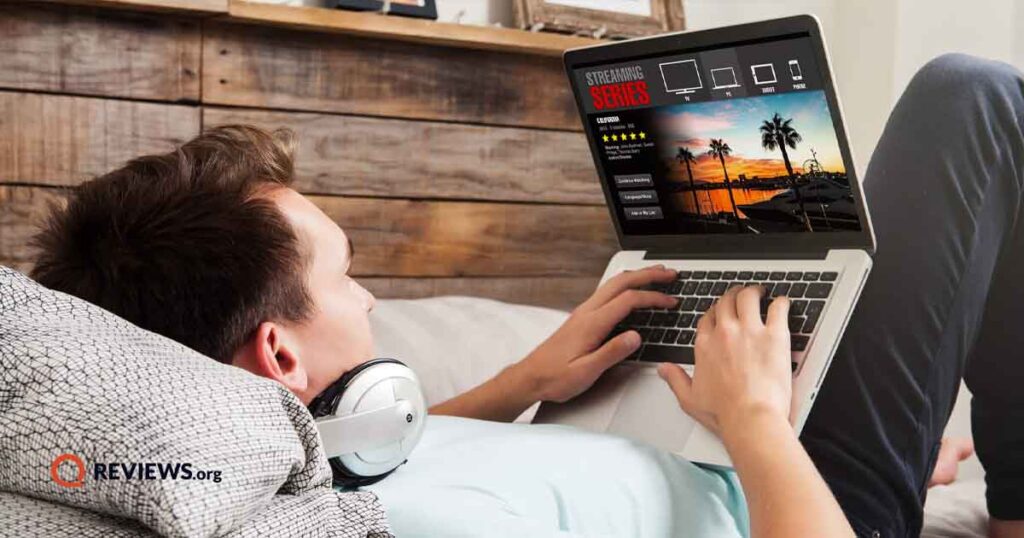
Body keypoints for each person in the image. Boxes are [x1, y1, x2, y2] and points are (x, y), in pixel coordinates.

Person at [28, 53, 1021, 537]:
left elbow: (360, 458)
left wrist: (525, 377)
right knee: (970, 100)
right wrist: (760, 423)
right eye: (343, 277)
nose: (370, 298)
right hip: (798, 500)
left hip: (742, 444)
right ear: (281, 355)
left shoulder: (294, 457)